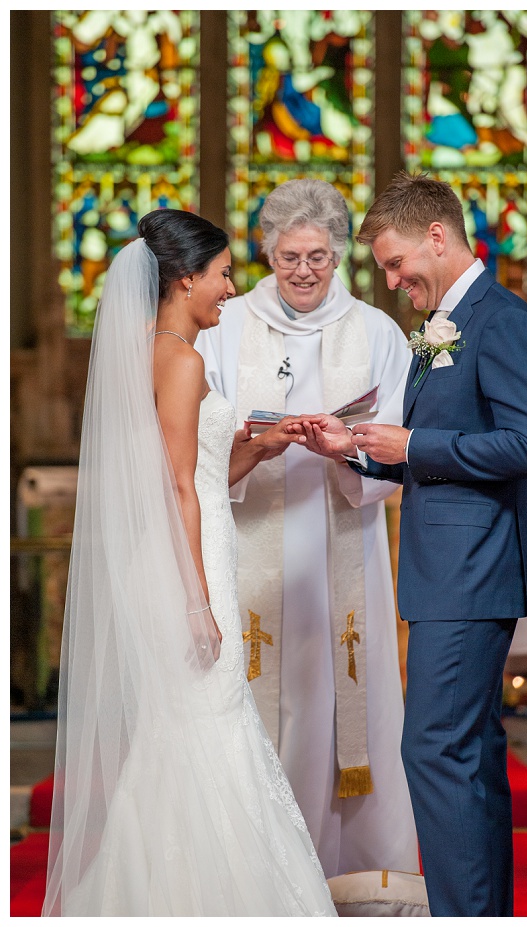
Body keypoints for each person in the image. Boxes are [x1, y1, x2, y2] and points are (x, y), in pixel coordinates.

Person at [42, 208, 337, 916]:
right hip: (186, 562)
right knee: (210, 721)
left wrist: (257, 448)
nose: (232, 288)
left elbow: (198, 472)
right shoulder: (181, 356)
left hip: (179, 551)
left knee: (181, 729)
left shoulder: (151, 348)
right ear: (184, 278)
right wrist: (197, 600)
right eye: (223, 272)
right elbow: (178, 486)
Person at [294, 172, 527, 916]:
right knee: (467, 753)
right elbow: (428, 449)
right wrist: (353, 448)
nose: (390, 279)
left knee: (434, 749)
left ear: (437, 236)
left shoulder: (499, 318)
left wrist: (414, 441)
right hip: (450, 572)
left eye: (394, 260)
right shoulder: (446, 322)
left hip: (473, 570)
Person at [196, 178, 419, 878]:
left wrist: (343, 444)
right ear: (267, 252)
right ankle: (254, 866)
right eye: (290, 255)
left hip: (339, 542)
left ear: (340, 254)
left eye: (318, 256)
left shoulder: (377, 332)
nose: (303, 271)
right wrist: (257, 441)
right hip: (250, 538)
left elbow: (401, 443)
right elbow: (198, 439)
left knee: (335, 696)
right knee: (258, 691)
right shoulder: (227, 326)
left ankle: (341, 866)